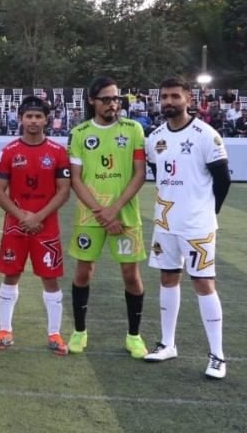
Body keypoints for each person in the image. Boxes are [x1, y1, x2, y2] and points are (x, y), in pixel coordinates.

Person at [144, 76, 231, 378]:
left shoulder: (206, 135)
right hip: (165, 223)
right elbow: (158, 175)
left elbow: (223, 180)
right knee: (168, 279)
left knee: (203, 284)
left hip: (197, 226)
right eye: (164, 96)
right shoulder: (154, 138)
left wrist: (207, 212)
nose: (168, 101)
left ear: (188, 99)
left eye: (174, 96)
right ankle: (168, 344)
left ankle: (217, 356)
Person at [67, 75, 149, 358]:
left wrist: (114, 210)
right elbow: (76, 180)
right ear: (92, 101)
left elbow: (140, 173)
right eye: (106, 99)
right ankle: (79, 331)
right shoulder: (79, 133)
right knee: (83, 271)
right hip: (90, 216)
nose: (113, 104)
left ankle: (134, 336)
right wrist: (102, 213)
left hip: (125, 214)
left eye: (116, 98)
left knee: (130, 274)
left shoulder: (134, 129)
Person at [0, 96, 72, 355]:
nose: (34, 121)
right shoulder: (9, 151)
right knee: (11, 274)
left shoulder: (58, 152)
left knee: (50, 277)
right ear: (20, 119)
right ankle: (4, 330)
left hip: (46, 226)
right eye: (29, 116)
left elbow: (63, 191)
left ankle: (54, 334)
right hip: (16, 225)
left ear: (47, 120)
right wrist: (23, 215)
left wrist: (38, 216)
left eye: (38, 116)